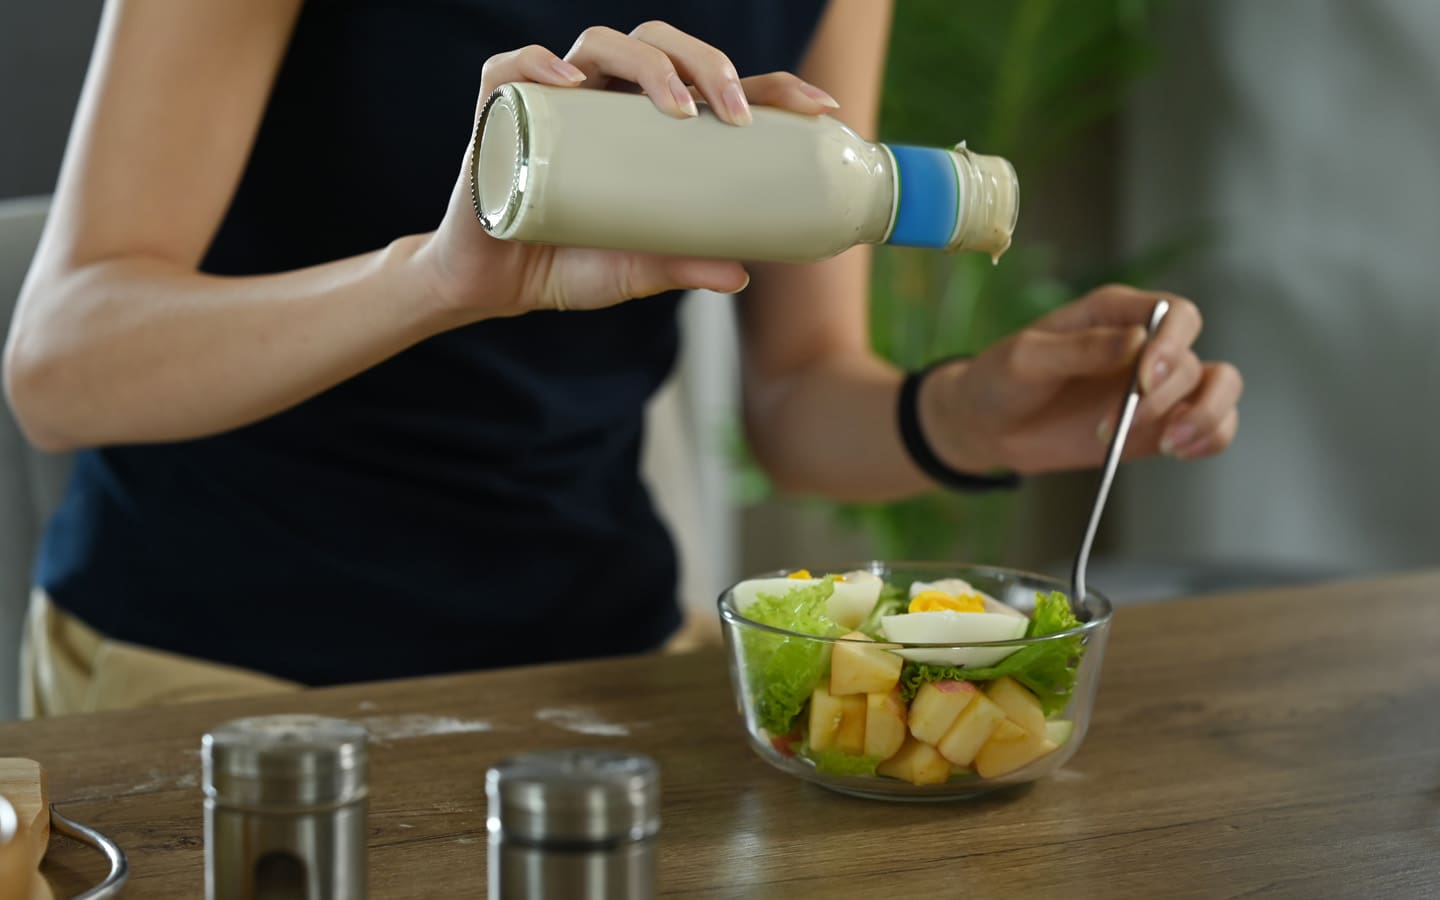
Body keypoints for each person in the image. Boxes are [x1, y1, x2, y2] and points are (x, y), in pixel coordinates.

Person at [4, 0, 1241, 716]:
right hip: (217, 665)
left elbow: (802, 391)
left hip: (594, 658)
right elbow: (58, 368)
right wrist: (433, 280)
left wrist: (972, 414)